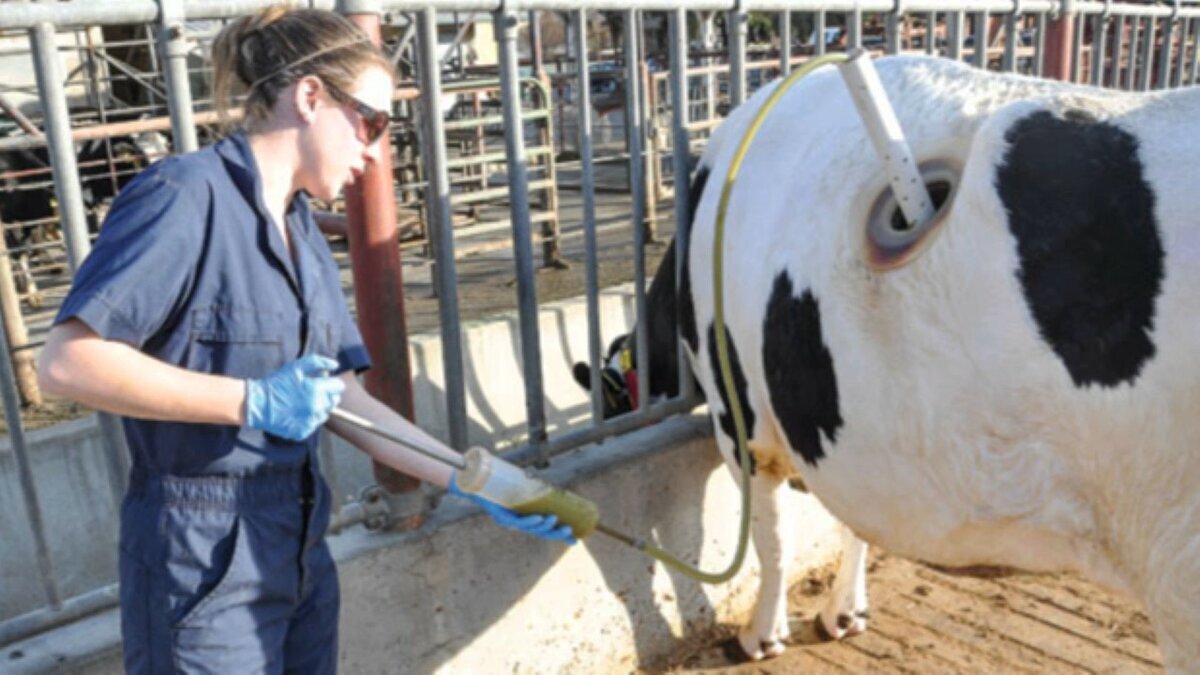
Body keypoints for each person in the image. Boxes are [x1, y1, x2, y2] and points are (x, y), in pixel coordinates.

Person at [36, 7, 573, 674]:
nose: (375, 149)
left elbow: (345, 399)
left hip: (296, 544)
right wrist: (249, 401)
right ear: (310, 95)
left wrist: (481, 479)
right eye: (370, 122)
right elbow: (64, 363)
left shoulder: (300, 228)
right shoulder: (183, 196)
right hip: (201, 555)